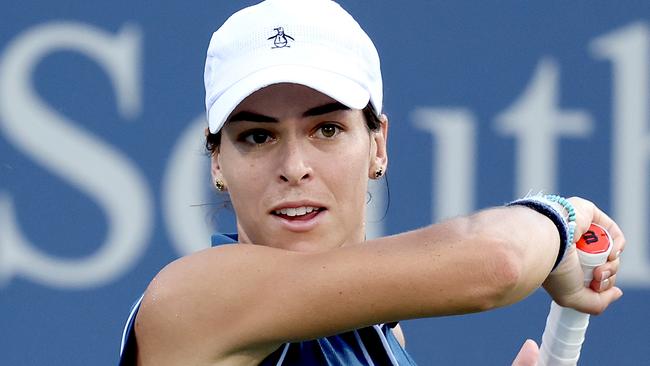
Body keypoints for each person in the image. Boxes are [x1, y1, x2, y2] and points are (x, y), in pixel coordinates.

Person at [119, 0, 625, 364]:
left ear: (377, 145)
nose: (294, 165)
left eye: (327, 129)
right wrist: (562, 213)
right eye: (257, 136)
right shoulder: (195, 299)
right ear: (216, 163)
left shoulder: (386, 338)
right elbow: (498, 262)